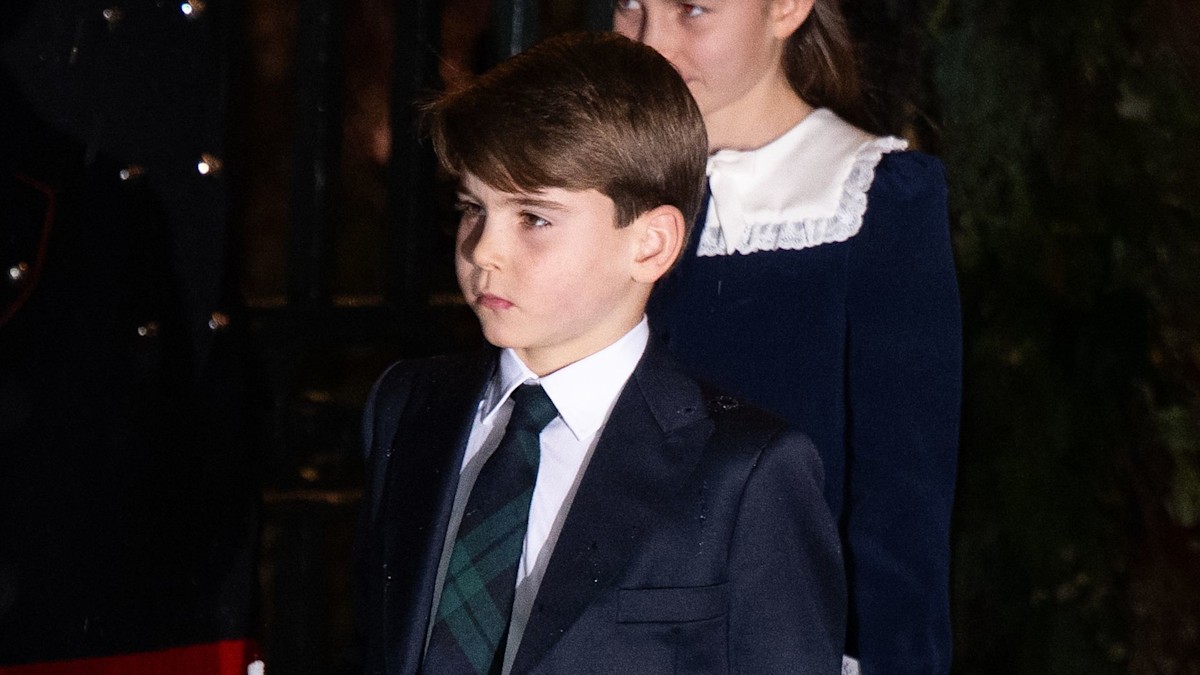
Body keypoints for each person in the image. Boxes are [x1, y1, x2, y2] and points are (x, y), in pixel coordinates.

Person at [355, 31, 845, 675]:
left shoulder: (746, 471)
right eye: (473, 208)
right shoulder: (410, 404)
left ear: (650, 244)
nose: (483, 250)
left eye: (534, 218)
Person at [613, 2, 962, 674]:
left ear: (786, 7)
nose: (651, 43)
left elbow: (904, 509)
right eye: (629, 4)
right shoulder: (590, 185)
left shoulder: (871, 198)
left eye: (693, 10)